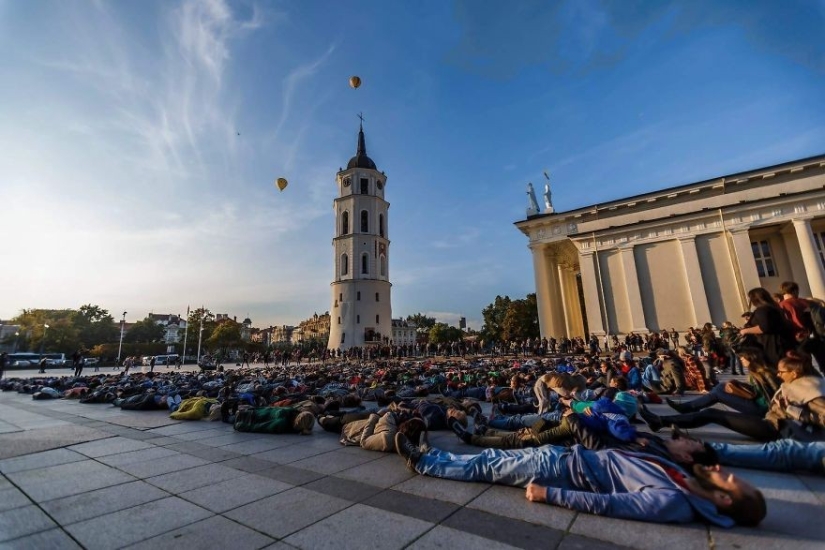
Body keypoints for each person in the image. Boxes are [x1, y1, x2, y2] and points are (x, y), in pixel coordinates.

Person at [394, 434, 766, 527]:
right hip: (566, 457)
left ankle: (423, 463)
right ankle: (433, 456)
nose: (727, 473)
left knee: (487, 466)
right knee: (490, 459)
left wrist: (549, 494)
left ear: (725, 500)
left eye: (734, 482)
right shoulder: (684, 480)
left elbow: (609, 505)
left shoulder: (673, 501)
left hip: (559, 473)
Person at [640, 351, 824, 442]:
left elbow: (820, 418)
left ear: (794, 373)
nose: (778, 374)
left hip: (773, 425)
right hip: (769, 419)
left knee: (714, 410)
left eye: (782, 371)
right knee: (715, 405)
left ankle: (667, 421)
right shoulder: (791, 384)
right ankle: (662, 421)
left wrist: (790, 409)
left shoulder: (807, 389)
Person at [665, 347, 780, 417]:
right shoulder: (754, 373)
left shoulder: (766, 374)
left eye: (743, 358)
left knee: (718, 393)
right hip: (755, 402)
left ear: (752, 358)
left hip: (761, 409)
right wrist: (739, 384)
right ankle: (690, 407)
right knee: (721, 387)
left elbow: (777, 393)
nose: (740, 359)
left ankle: (689, 407)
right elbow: (756, 390)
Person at [738, 287, 796, 367]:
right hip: (781, 344)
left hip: (771, 346)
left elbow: (764, 327)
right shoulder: (774, 308)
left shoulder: (762, 310)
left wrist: (745, 331)